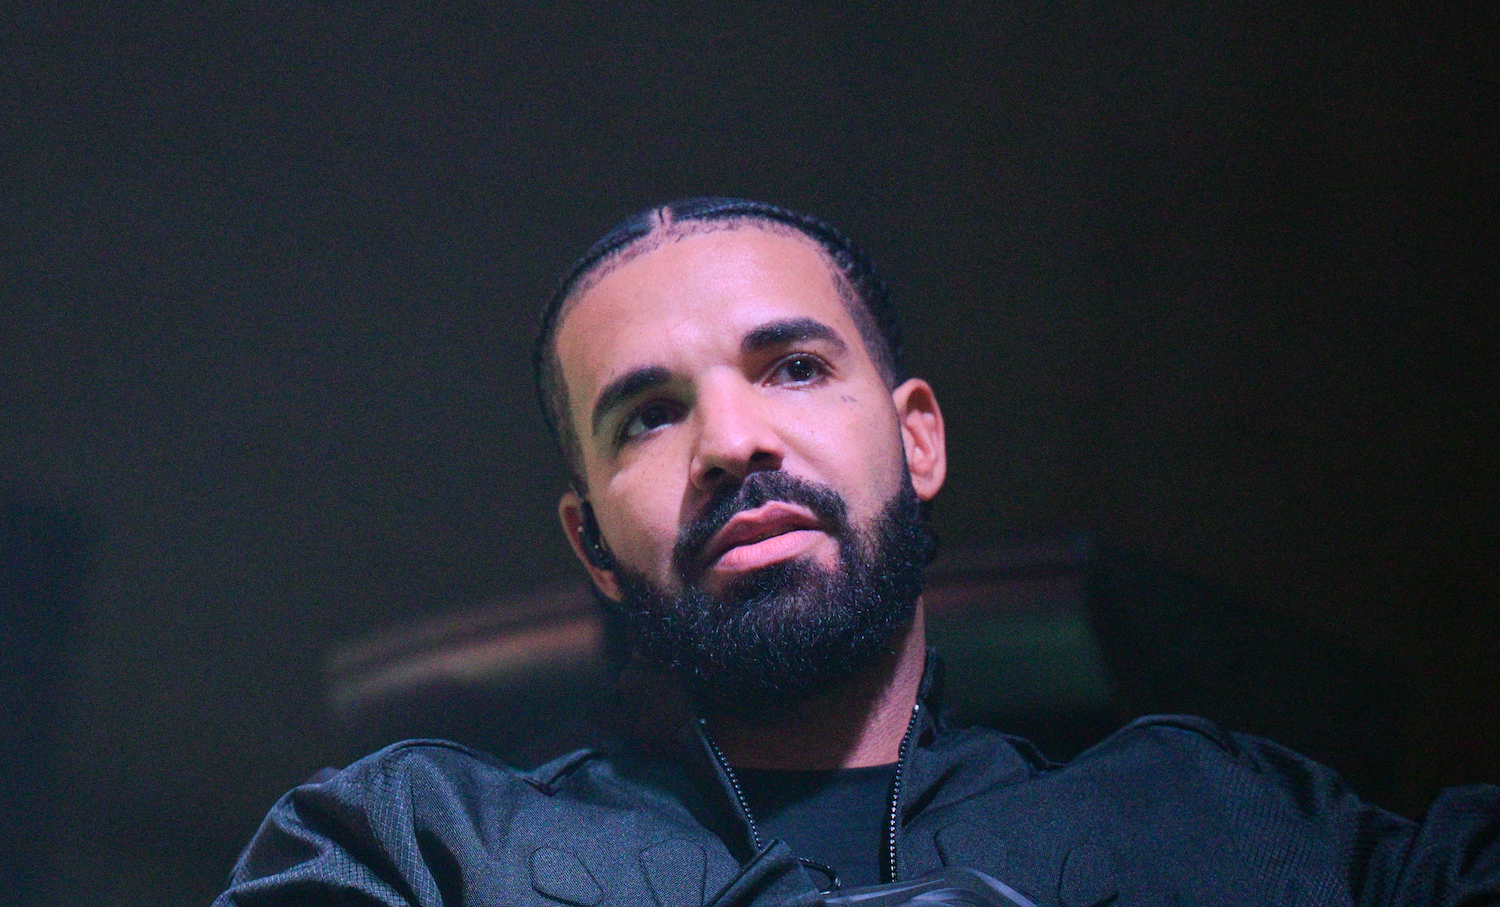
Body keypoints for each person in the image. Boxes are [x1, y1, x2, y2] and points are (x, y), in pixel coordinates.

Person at [215, 198, 1499, 906]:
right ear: (591, 541)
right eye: (648, 414)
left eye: (793, 367)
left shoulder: (1215, 822)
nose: (733, 440)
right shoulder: (423, 848)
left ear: (917, 437)